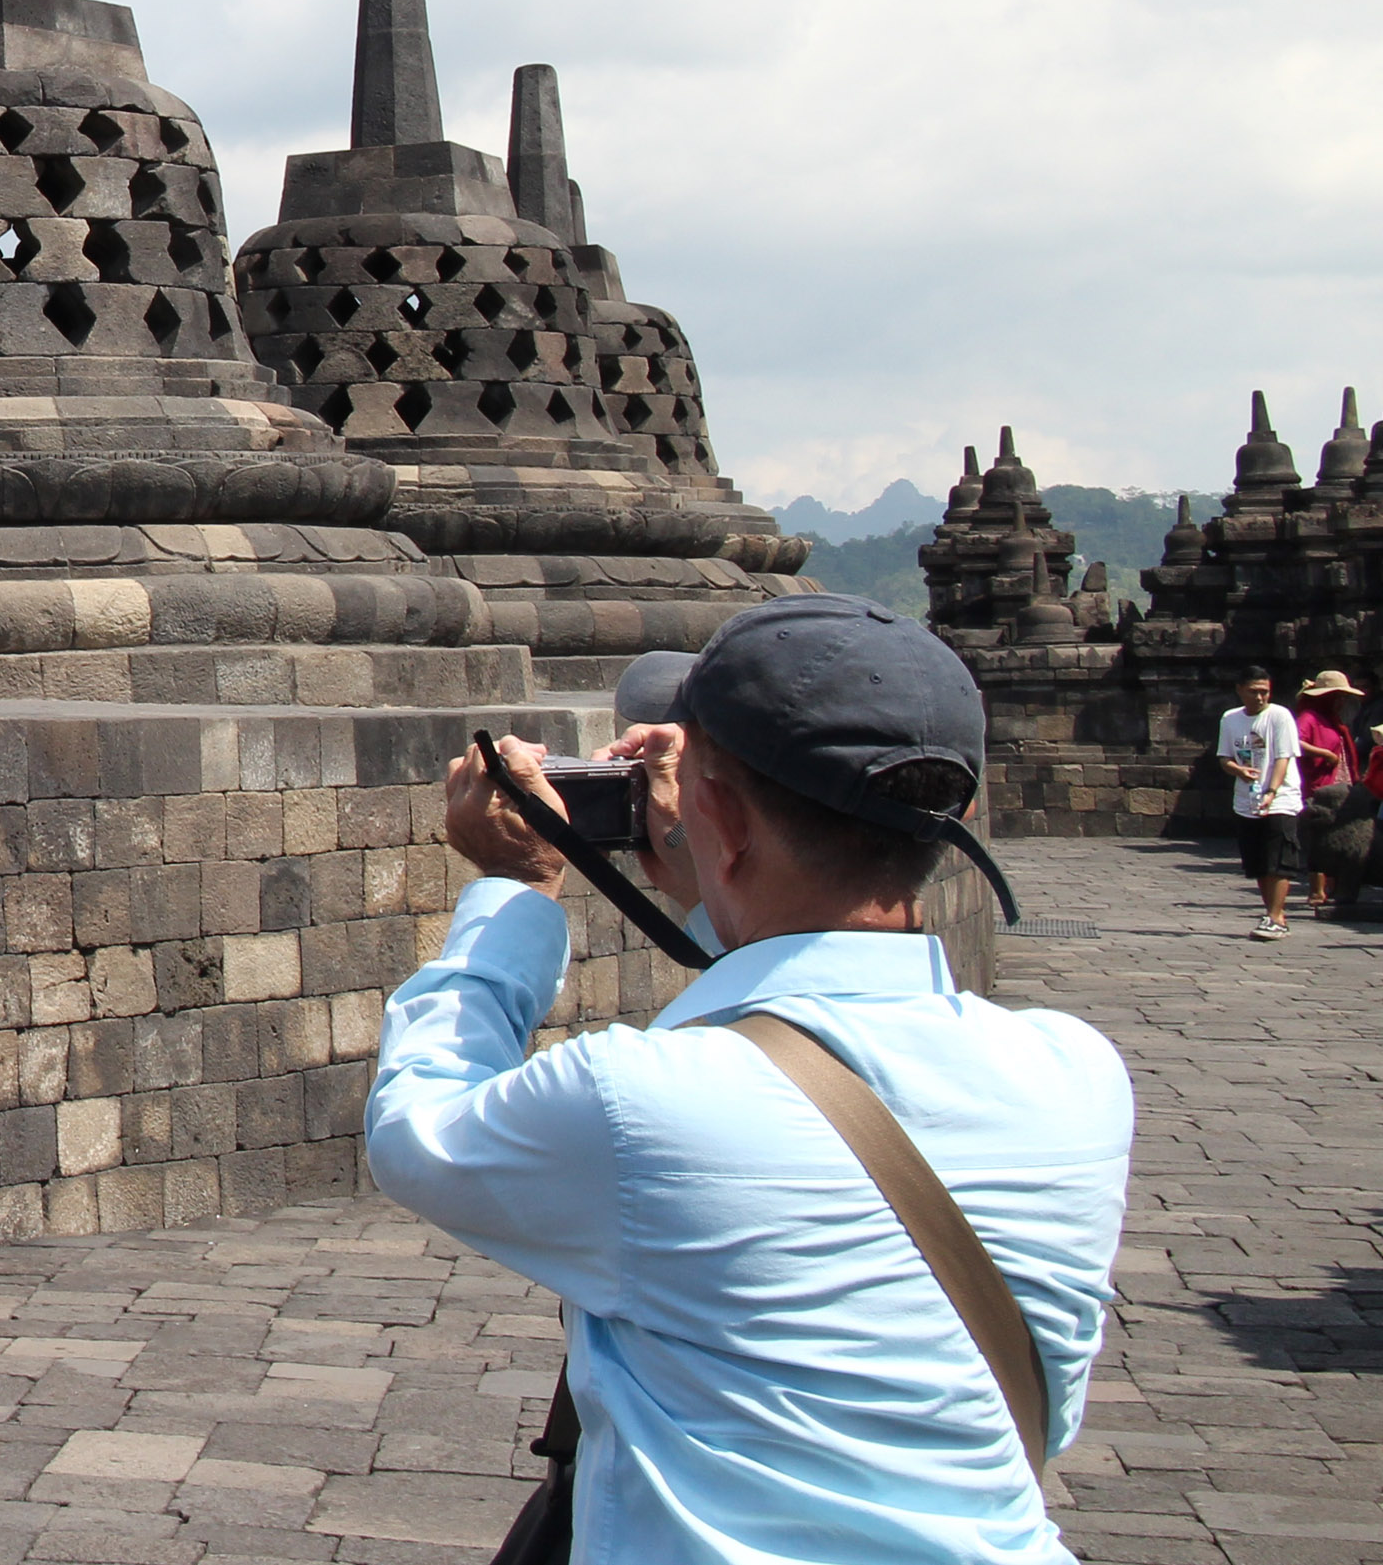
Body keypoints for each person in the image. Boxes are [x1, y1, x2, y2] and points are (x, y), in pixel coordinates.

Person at [365, 594, 1129, 1561]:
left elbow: (418, 1127)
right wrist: (719, 876)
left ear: (719, 816)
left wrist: (519, 884)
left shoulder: (639, 1099)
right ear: (958, 813)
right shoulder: (1078, 1076)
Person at [1219, 671, 1306, 938]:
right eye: (1254, 691)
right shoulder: (1230, 718)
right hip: (1247, 799)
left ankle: (1276, 917)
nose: (1259, 697)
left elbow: (1283, 757)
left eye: (1264, 691)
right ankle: (1272, 913)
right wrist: (1238, 771)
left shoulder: (1279, 716)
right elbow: (1224, 757)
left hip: (1280, 798)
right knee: (1258, 861)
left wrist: (1271, 790)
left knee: (1278, 859)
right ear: (1240, 690)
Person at [1288, 672, 1365, 918]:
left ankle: (1335, 886)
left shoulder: (1332, 719)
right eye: (1337, 697)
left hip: (1341, 784)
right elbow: (1295, 743)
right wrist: (1324, 753)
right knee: (1319, 837)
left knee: (1339, 837)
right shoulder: (1309, 717)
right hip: (1320, 786)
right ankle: (1317, 890)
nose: (1341, 702)